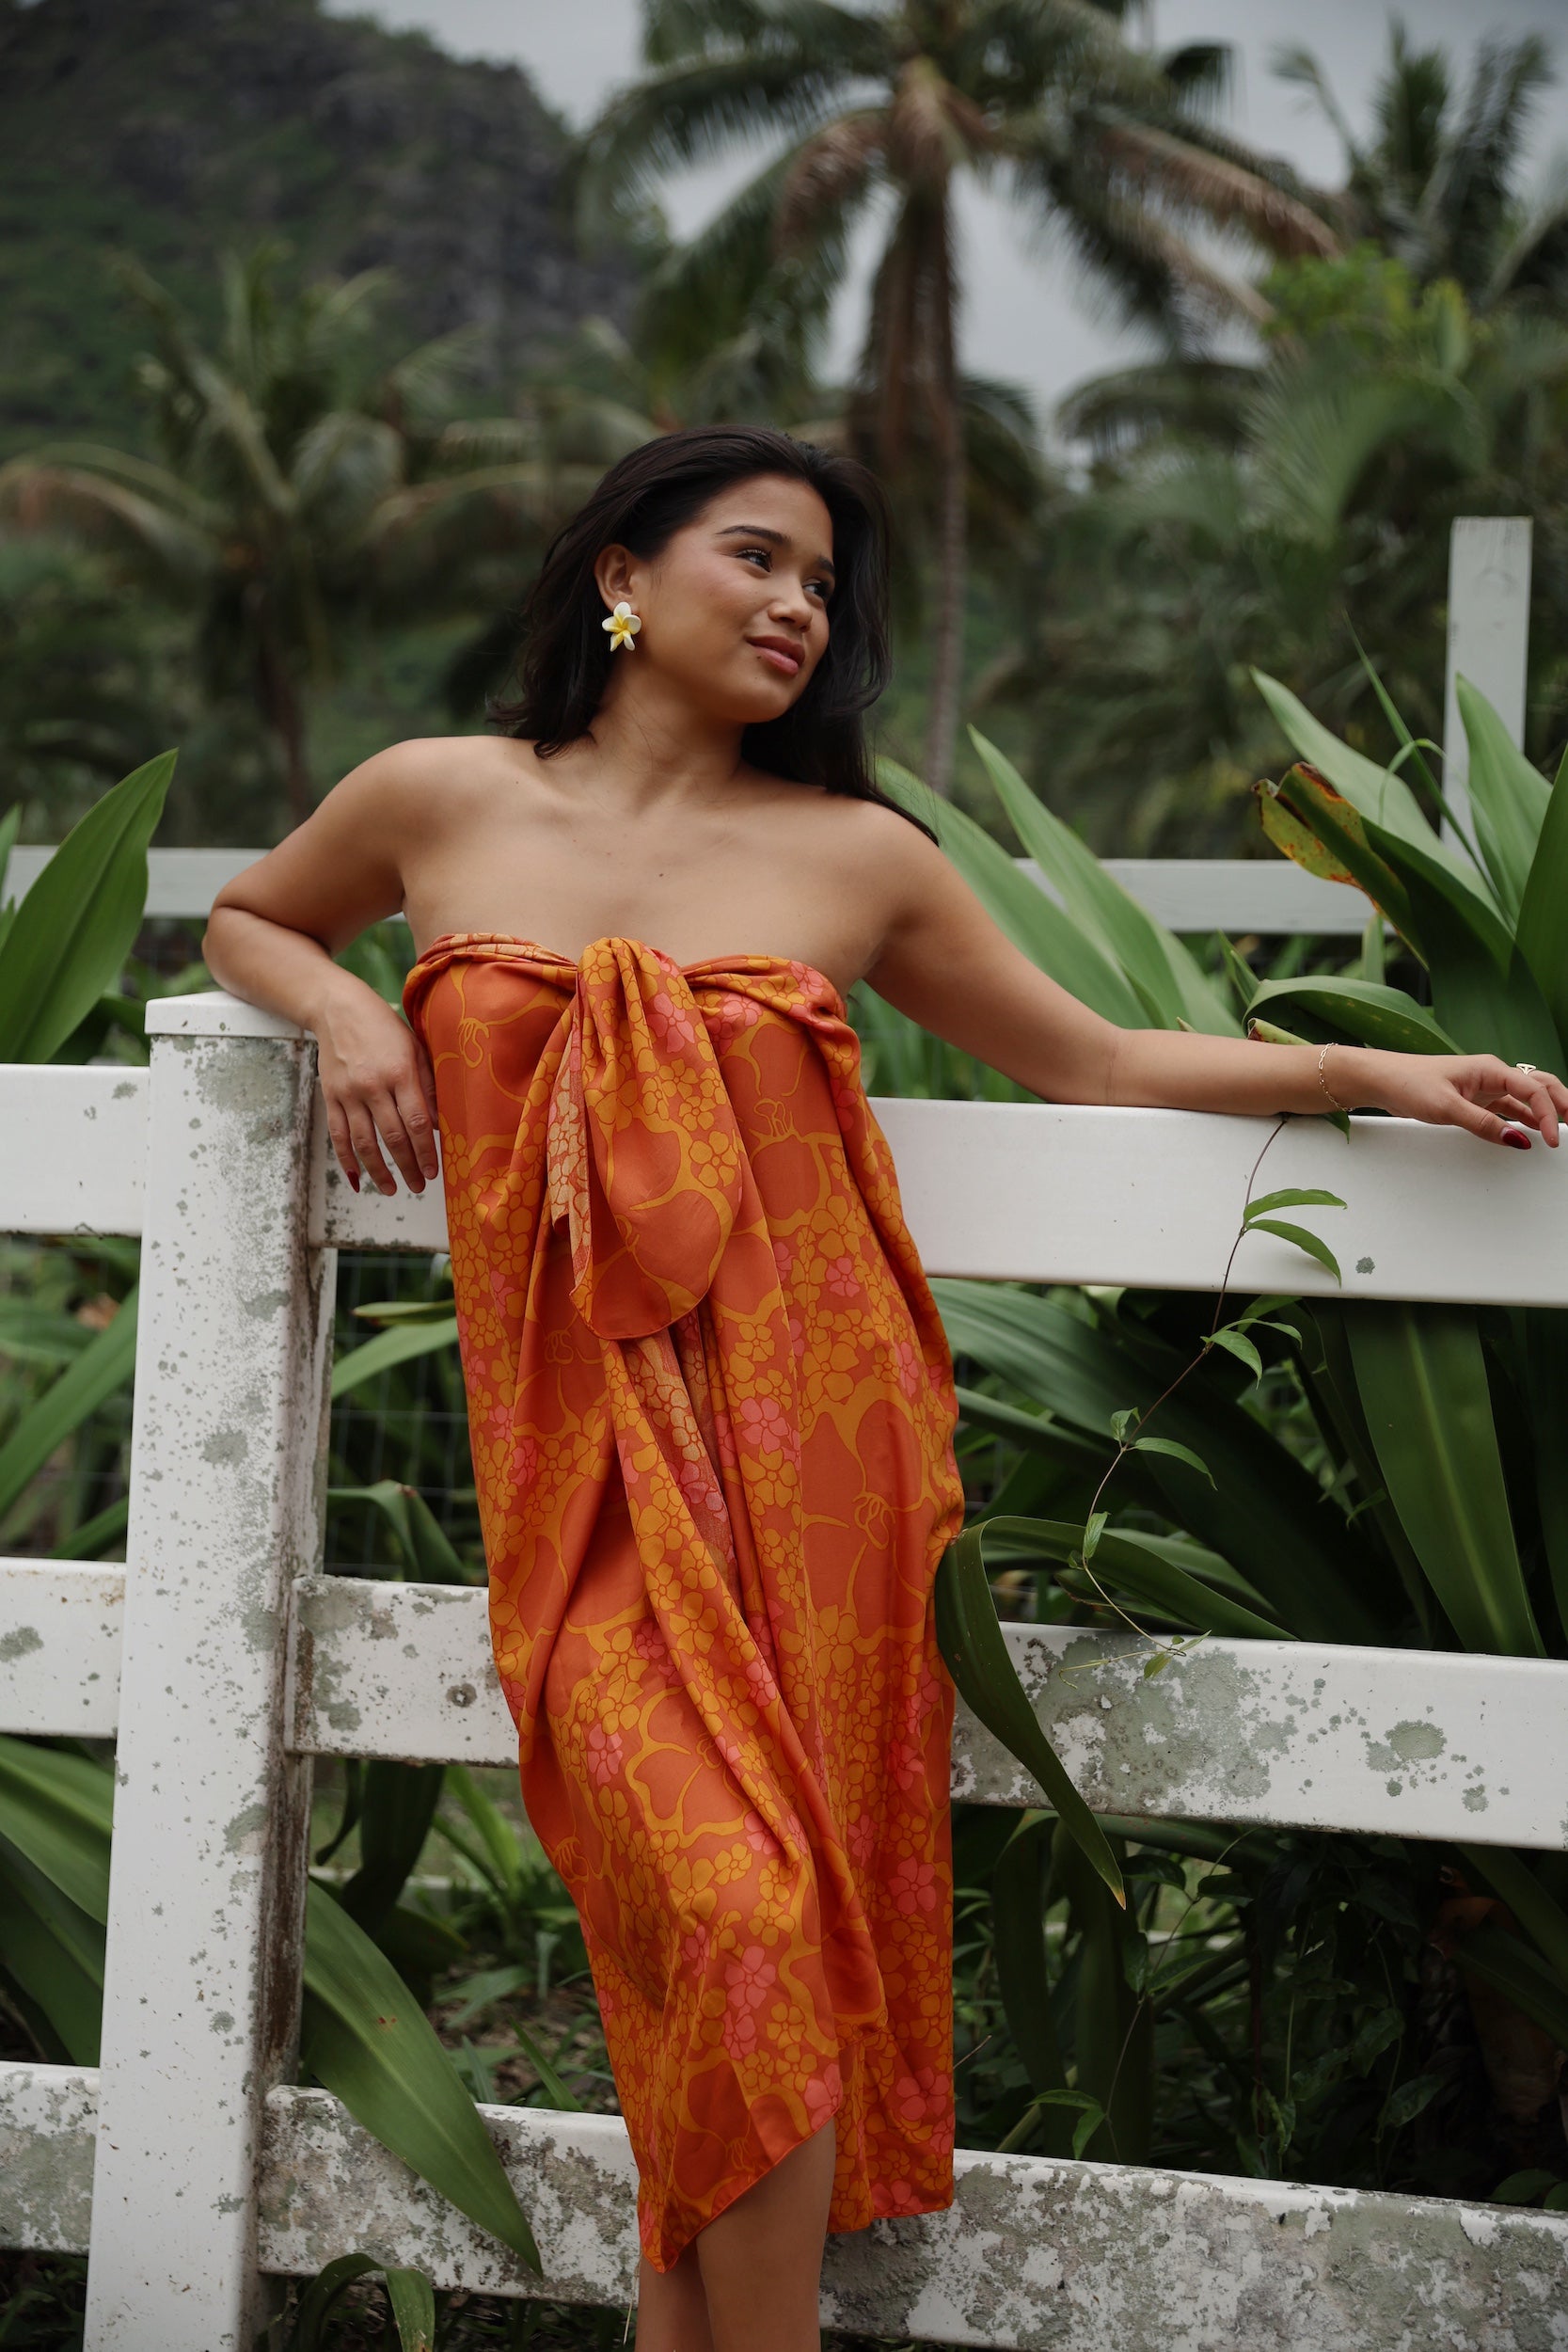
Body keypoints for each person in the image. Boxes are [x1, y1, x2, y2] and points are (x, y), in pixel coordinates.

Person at [202, 423, 1566, 2352]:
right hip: (581, 1473)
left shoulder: (856, 854)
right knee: (735, 1931)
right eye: (756, 557)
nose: (794, 606)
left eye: (821, 586)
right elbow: (250, 913)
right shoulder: (441, 796)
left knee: (761, 1956)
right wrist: (347, 1003)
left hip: (824, 1466)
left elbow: (1092, 1055)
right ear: (621, 572)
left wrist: (1375, 1073)